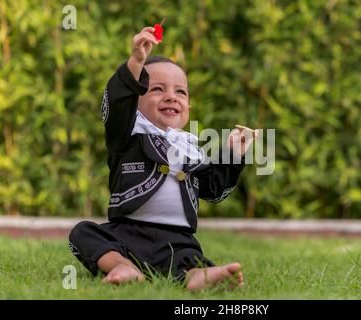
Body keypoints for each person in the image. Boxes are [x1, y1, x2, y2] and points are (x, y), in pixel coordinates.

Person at [68, 26, 258, 291]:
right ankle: (122, 266)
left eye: (180, 92)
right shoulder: (127, 136)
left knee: (190, 258)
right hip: (126, 233)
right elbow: (117, 101)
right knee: (83, 232)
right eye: (157, 89)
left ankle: (196, 277)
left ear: (189, 107)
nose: (171, 96)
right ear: (136, 99)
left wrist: (233, 155)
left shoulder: (191, 150)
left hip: (178, 241)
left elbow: (214, 190)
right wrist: (136, 62)